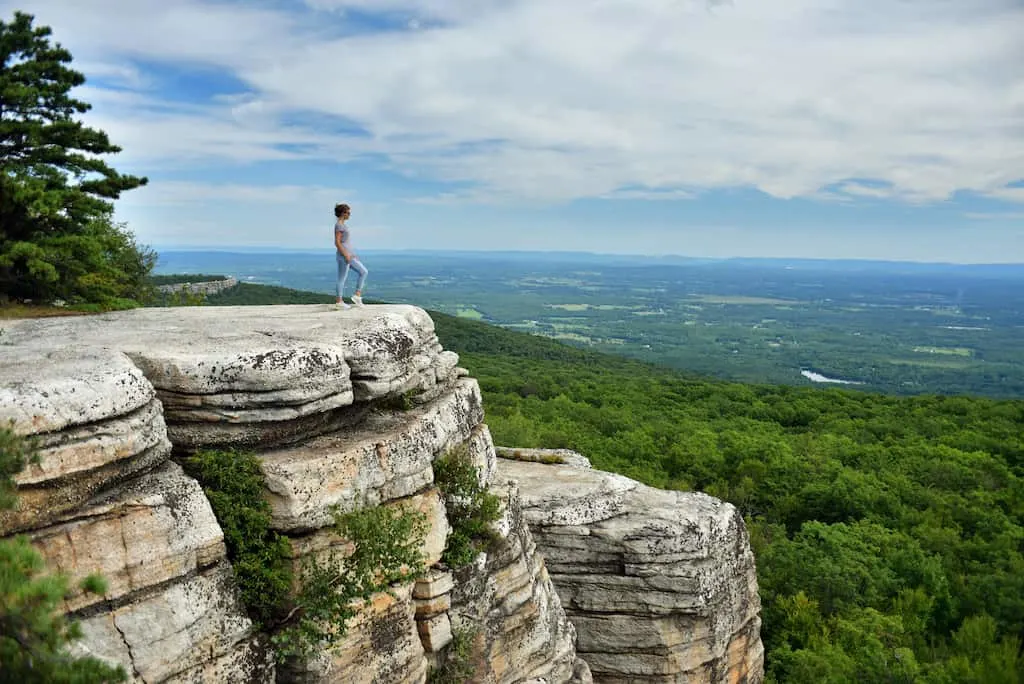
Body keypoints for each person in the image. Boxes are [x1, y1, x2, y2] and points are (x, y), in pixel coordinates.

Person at [333, 203, 368, 309]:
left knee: (363, 272)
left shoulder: (342, 225)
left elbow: (346, 242)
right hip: (344, 256)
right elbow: (337, 242)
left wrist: (352, 254)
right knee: (342, 278)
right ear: (343, 213)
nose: (349, 215)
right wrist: (346, 255)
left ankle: (357, 295)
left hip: (348, 255)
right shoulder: (339, 225)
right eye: (348, 213)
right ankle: (339, 302)